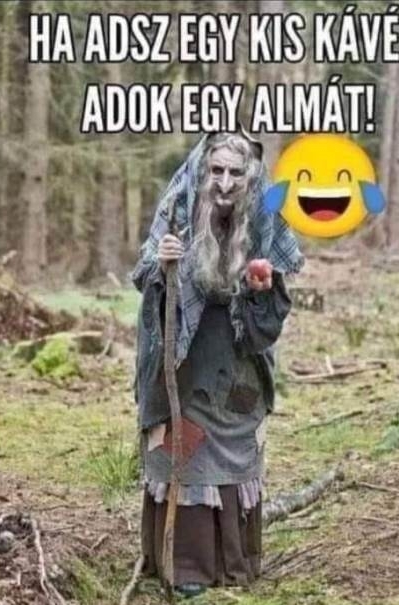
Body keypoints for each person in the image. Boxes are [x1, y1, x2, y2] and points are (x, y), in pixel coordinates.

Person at [131, 129, 303, 598]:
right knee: (182, 450)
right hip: (182, 363)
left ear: (250, 177)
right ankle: (183, 564)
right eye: (217, 170)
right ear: (203, 172)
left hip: (238, 365)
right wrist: (163, 263)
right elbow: (145, 278)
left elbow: (273, 313)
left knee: (233, 450)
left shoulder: (265, 219)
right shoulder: (178, 209)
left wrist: (261, 290)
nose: (225, 183)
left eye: (236, 173)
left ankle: (232, 561)